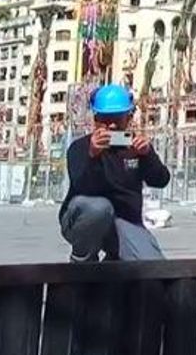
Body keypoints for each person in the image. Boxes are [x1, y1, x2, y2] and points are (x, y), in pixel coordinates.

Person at [59, 84, 169, 262]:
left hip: (124, 222)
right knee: (99, 208)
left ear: (128, 118)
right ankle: (82, 258)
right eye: (105, 119)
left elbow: (161, 180)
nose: (111, 125)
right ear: (96, 119)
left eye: (117, 119)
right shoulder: (80, 147)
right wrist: (93, 156)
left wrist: (148, 156)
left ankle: (115, 262)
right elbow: (81, 186)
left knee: (153, 268)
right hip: (84, 218)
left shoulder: (135, 148)